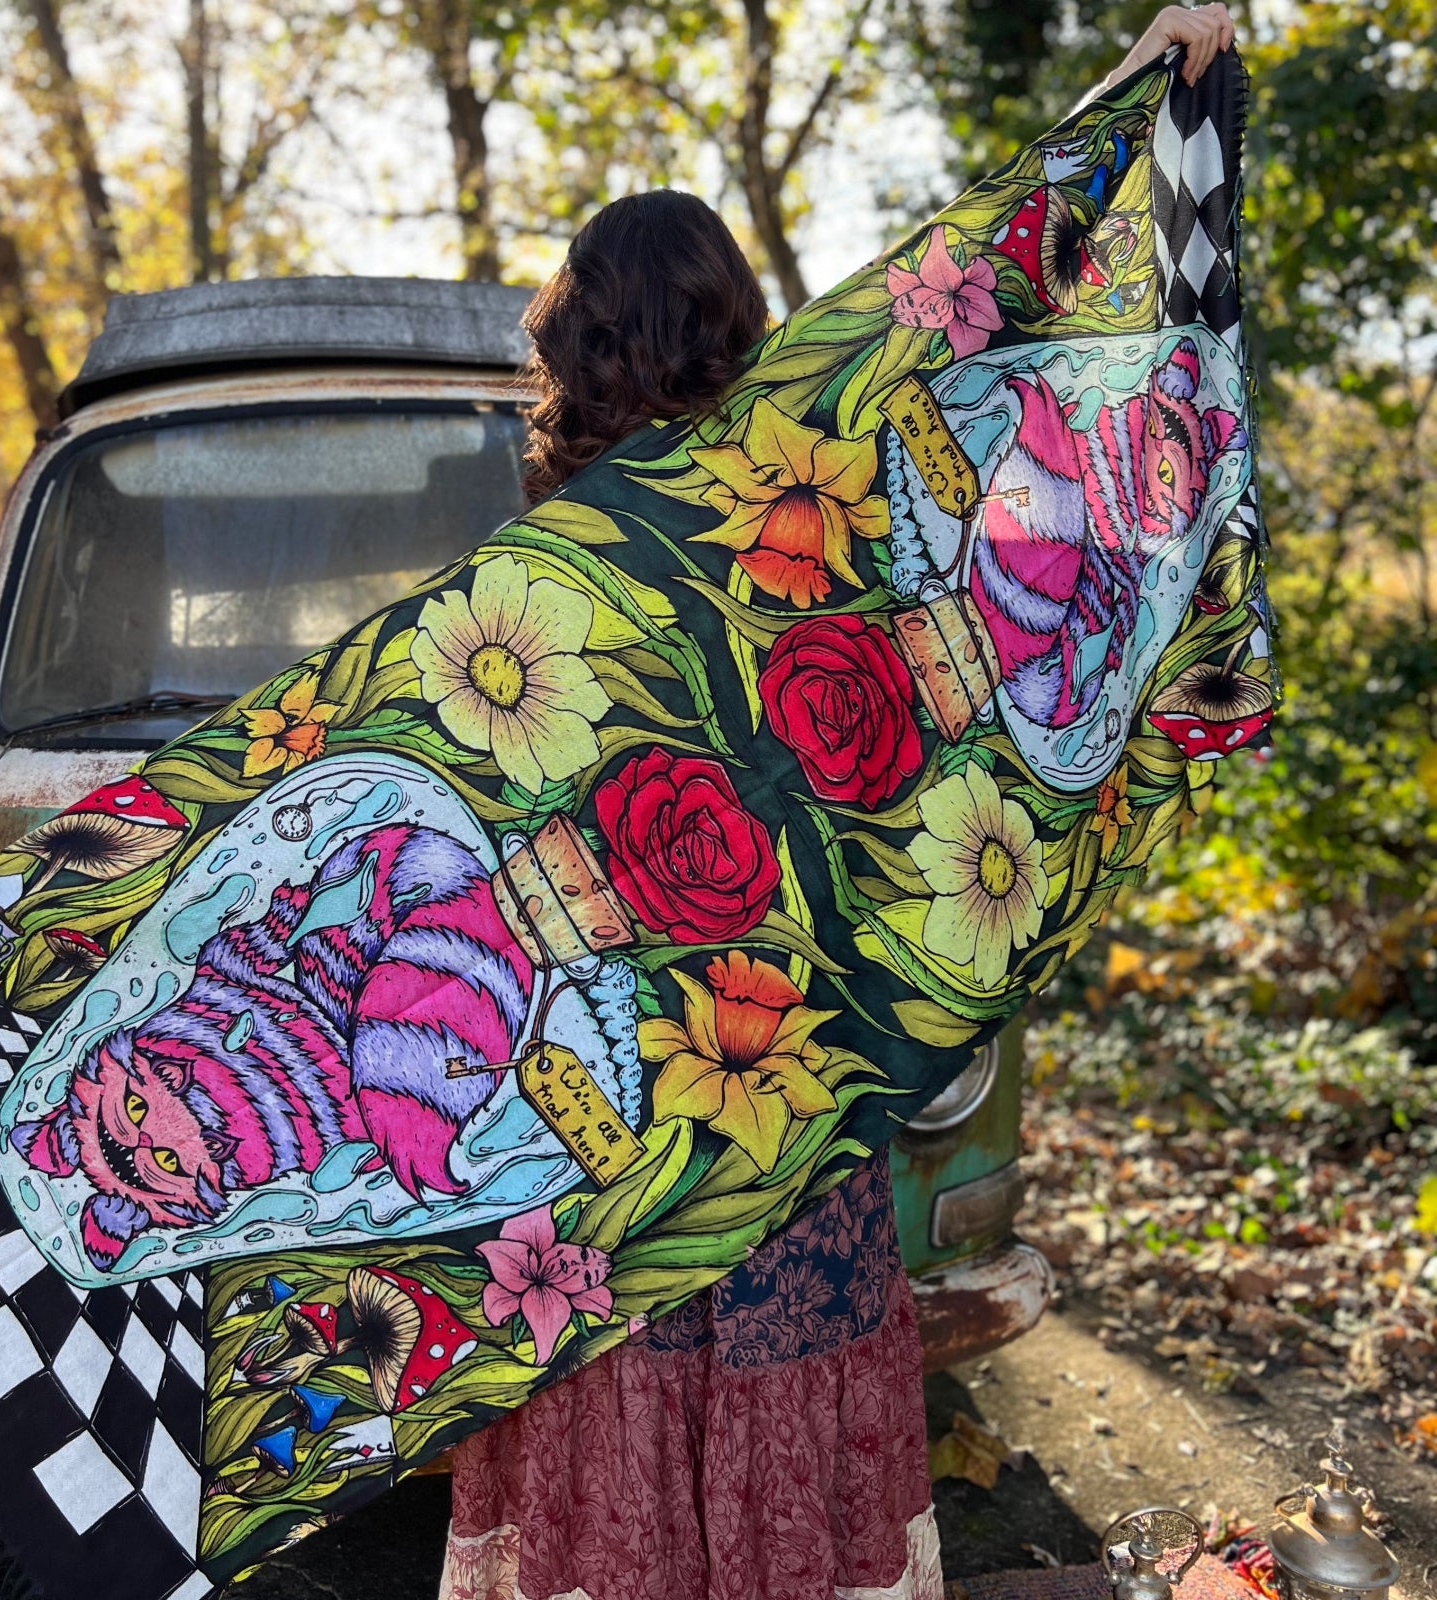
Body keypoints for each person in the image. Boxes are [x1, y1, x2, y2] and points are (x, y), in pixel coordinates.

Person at [438, 9, 1235, 1600]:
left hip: (602, 1147)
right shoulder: (828, 514)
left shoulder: (526, 582)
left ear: (577, 342)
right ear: (738, 324)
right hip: (790, 1098)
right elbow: (999, 315)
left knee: (622, 1488)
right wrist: (1158, 96)